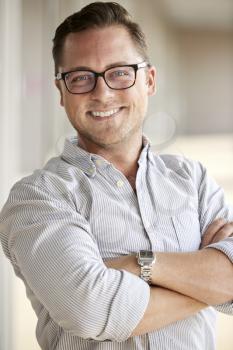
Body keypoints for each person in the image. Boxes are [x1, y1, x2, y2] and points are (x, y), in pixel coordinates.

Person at [0, 2, 233, 349]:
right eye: (80, 77)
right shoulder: (38, 197)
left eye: (120, 72)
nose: (102, 92)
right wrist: (211, 282)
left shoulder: (192, 179)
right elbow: (92, 311)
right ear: (61, 92)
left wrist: (137, 266)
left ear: (149, 80)